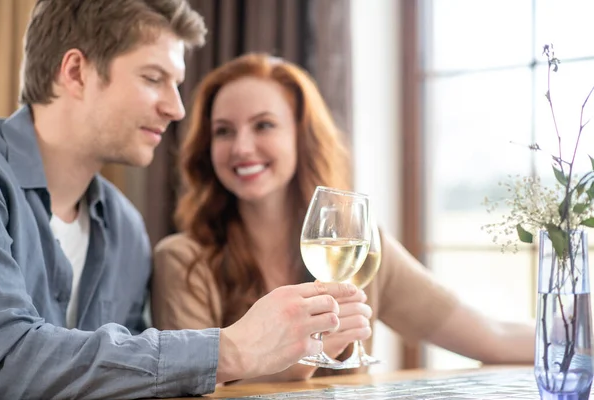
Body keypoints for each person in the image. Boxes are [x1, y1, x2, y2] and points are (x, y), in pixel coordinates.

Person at [0, 1, 363, 398]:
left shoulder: (125, 228)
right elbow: (6, 358)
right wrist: (234, 349)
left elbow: (123, 383)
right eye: (154, 78)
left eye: (176, 84)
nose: (176, 109)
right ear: (76, 72)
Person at [151, 53, 536, 384]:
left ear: (302, 138)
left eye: (264, 125)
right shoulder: (184, 260)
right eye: (223, 131)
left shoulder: (363, 247)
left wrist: (575, 334)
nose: (242, 147)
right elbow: (192, 384)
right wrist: (310, 352)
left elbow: (493, 337)